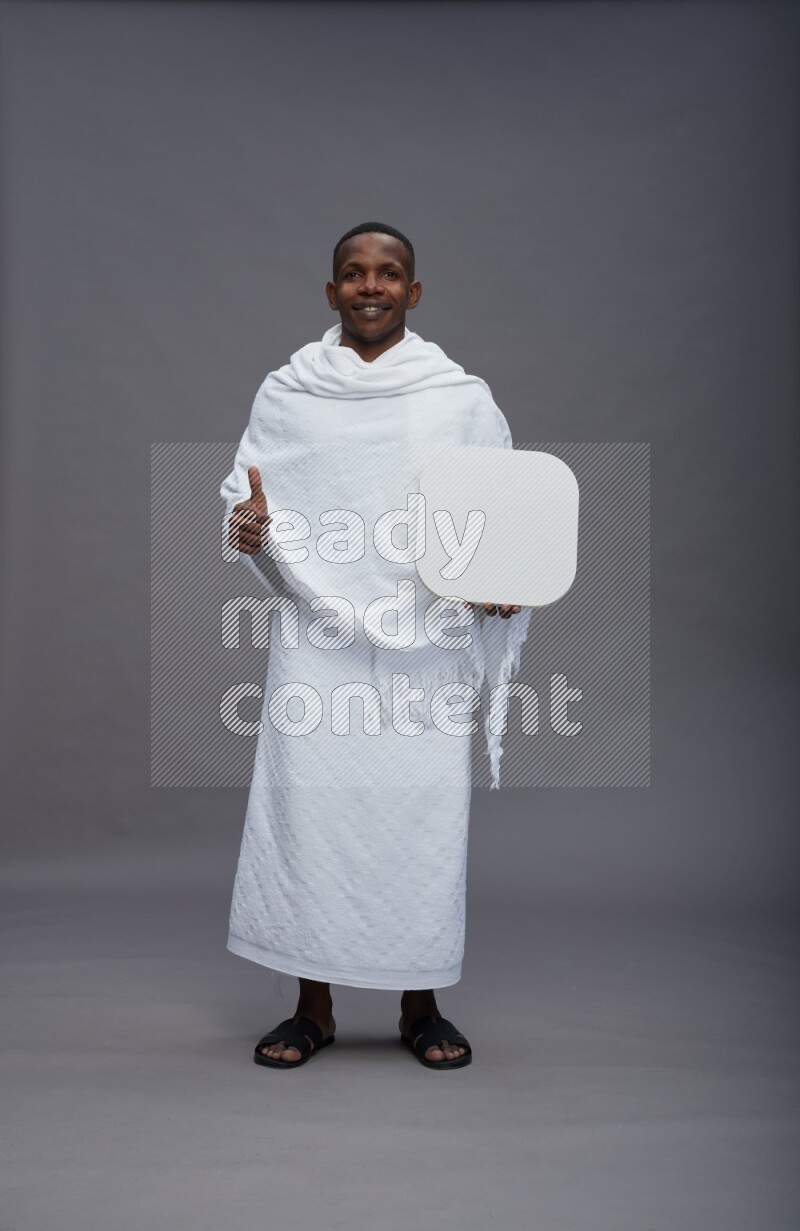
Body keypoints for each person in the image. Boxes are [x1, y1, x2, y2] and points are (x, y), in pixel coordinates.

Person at [221, 222, 531, 1070]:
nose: (369, 285)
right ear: (331, 293)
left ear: (413, 292)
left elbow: (502, 504)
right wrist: (246, 526)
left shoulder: (458, 397)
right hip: (317, 638)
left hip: (425, 644)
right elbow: (243, 498)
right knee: (310, 812)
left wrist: (504, 576)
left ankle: (420, 1003)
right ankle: (310, 1008)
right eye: (352, 274)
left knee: (419, 818)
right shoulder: (288, 391)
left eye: (387, 273)